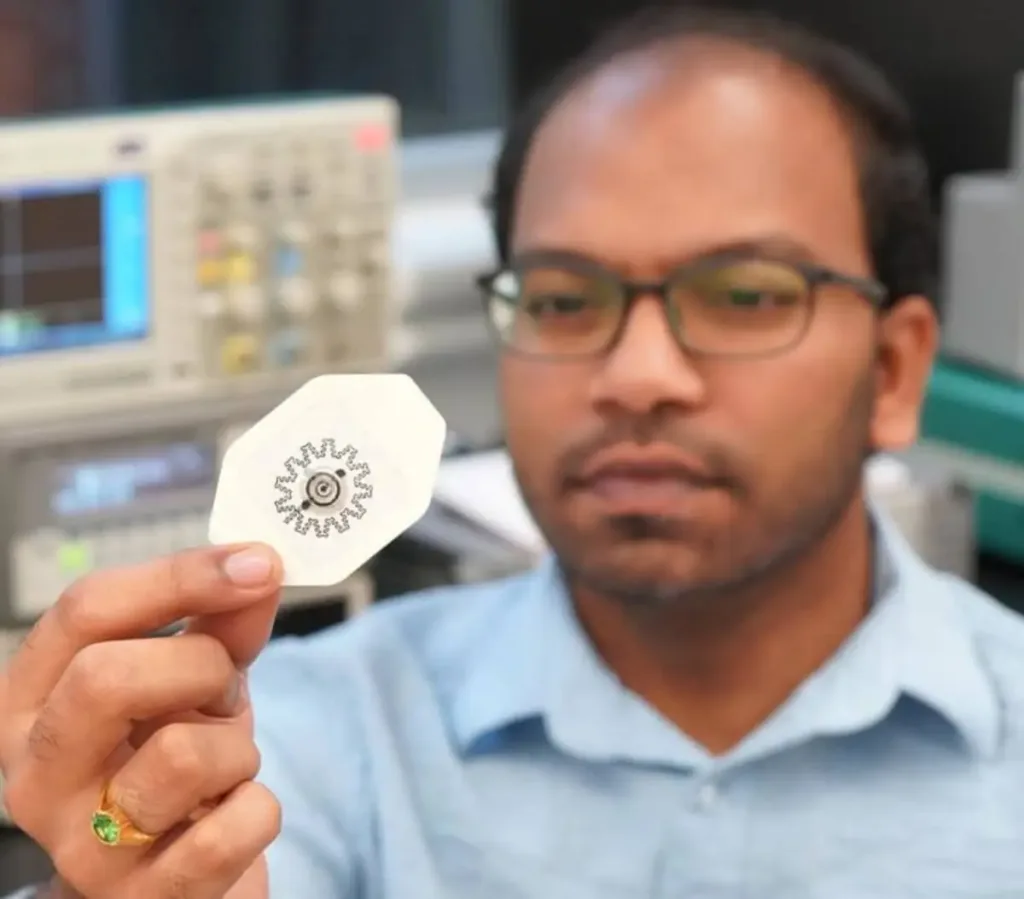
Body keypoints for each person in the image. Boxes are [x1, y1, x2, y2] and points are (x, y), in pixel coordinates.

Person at [4, 6, 1024, 897]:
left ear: (894, 372)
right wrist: (106, 866)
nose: (638, 373)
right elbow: (146, 853)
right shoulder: (300, 738)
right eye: (564, 299)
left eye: (746, 293)